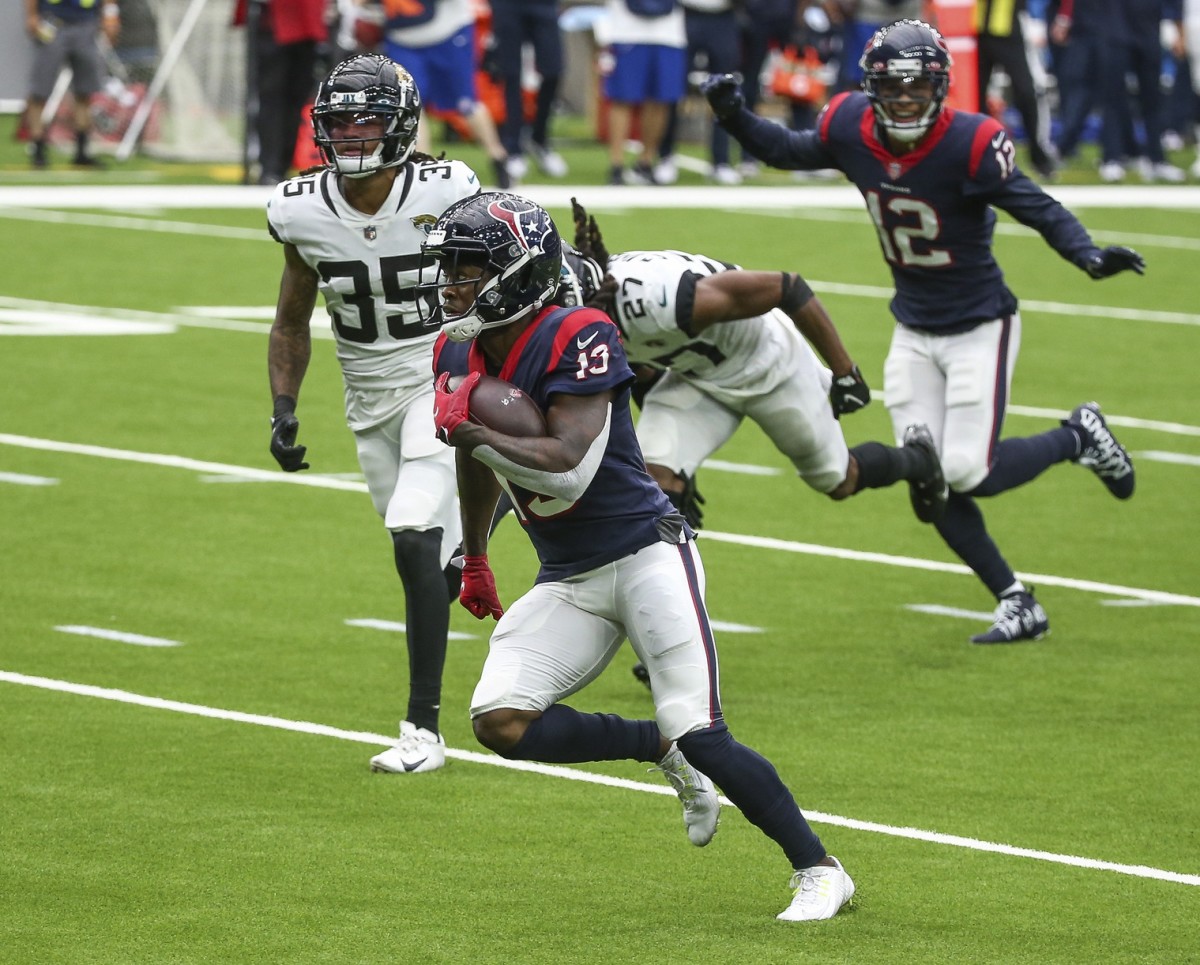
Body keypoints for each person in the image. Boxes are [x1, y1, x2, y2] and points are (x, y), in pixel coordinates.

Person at [423, 191, 855, 922]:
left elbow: (563, 462)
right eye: (451, 268)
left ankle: (819, 866)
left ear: (522, 272)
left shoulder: (581, 332)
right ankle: (653, 745)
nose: (452, 284)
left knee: (704, 729)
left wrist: (473, 432)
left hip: (647, 553)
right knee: (499, 720)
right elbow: (478, 462)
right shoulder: (458, 348)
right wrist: (476, 555)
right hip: (569, 574)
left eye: (469, 268)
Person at [702, 19, 1143, 644]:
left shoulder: (969, 142)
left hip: (978, 324)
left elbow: (1034, 204)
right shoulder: (851, 126)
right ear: (871, 88)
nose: (905, 100)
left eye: (917, 87)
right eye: (893, 87)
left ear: (939, 87)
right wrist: (734, 115)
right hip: (912, 326)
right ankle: (1017, 601)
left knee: (965, 470)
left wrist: (1087, 253)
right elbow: (785, 150)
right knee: (928, 470)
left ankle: (1078, 435)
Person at [266, 54, 481, 773]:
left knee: (415, 534)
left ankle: (424, 730)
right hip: (367, 399)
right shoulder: (300, 208)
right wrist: (283, 407)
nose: (354, 137)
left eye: (369, 122)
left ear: (402, 126)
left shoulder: (447, 188)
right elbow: (291, 319)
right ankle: (490, 512)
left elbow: (499, 267)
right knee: (426, 562)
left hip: (440, 375)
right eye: (341, 123)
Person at [379, 0, 513, 188]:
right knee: (411, 105)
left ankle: (498, 157)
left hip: (448, 31)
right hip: (402, 38)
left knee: (466, 102)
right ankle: (422, 168)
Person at [235, 0, 329, 185]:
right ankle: (270, 167)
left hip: (305, 21)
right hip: (273, 21)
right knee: (272, 98)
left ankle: (281, 166)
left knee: (296, 98)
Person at [596, 0, 687, 185]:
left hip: (668, 34)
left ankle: (645, 162)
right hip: (626, 31)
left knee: (661, 100)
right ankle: (616, 164)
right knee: (622, 98)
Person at [22, 0, 121, 169]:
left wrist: (111, 16)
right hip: (53, 22)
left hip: (86, 23)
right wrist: (31, 15)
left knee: (85, 91)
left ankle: (82, 151)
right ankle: (38, 149)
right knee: (40, 91)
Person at [976, 0, 1059, 179]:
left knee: (1027, 93)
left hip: (1011, 29)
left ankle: (1039, 156)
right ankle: (977, 153)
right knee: (975, 98)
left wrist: (1036, 19)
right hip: (974, 30)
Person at [490, 0, 570, 181]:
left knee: (553, 71)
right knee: (510, 75)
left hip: (543, 5)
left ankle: (538, 139)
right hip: (508, 5)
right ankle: (514, 148)